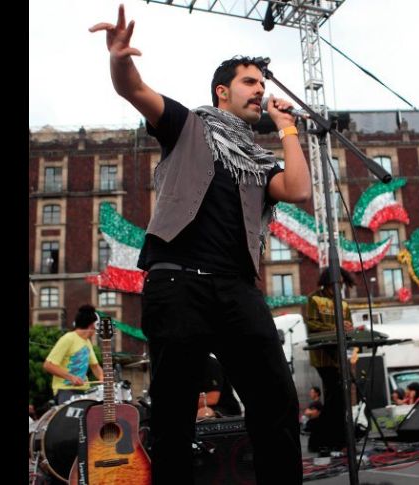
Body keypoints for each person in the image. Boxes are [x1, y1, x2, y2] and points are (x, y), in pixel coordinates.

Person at [90, 5, 311, 483]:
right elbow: (134, 89)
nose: (260, 90)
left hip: (237, 289)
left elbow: (297, 189)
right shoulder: (187, 125)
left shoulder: (258, 161)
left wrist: (287, 128)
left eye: (262, 83)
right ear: (222, 91)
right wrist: (120, 59)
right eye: (250, 82)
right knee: (174, 414)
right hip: (178, 284)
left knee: (276, 400)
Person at [303, 266, 356, 451]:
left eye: (341, 283)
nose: (339, 286)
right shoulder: (314, 298)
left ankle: (330, 440)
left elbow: (348, 326)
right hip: (323, 356)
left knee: (338, 399)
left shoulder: (344, 304)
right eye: (336, 283)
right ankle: (325, 440)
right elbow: (311, 323)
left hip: (339, 357)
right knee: (336, 397)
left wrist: (348, 327)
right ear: (327, 281)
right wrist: (336, 327)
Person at [43, 304, 104, 405]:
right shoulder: (68, 338)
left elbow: (95, 366)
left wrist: (102, 377)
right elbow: (48, 365)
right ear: (93, 325)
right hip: (65, 390)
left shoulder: (87, 342)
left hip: (84, 390)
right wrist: (71, 377)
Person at [197, 354, 241, 420]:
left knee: (203, 413)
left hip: (224, 409)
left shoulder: (210, 364)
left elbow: (212, 399)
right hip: (204, 408)